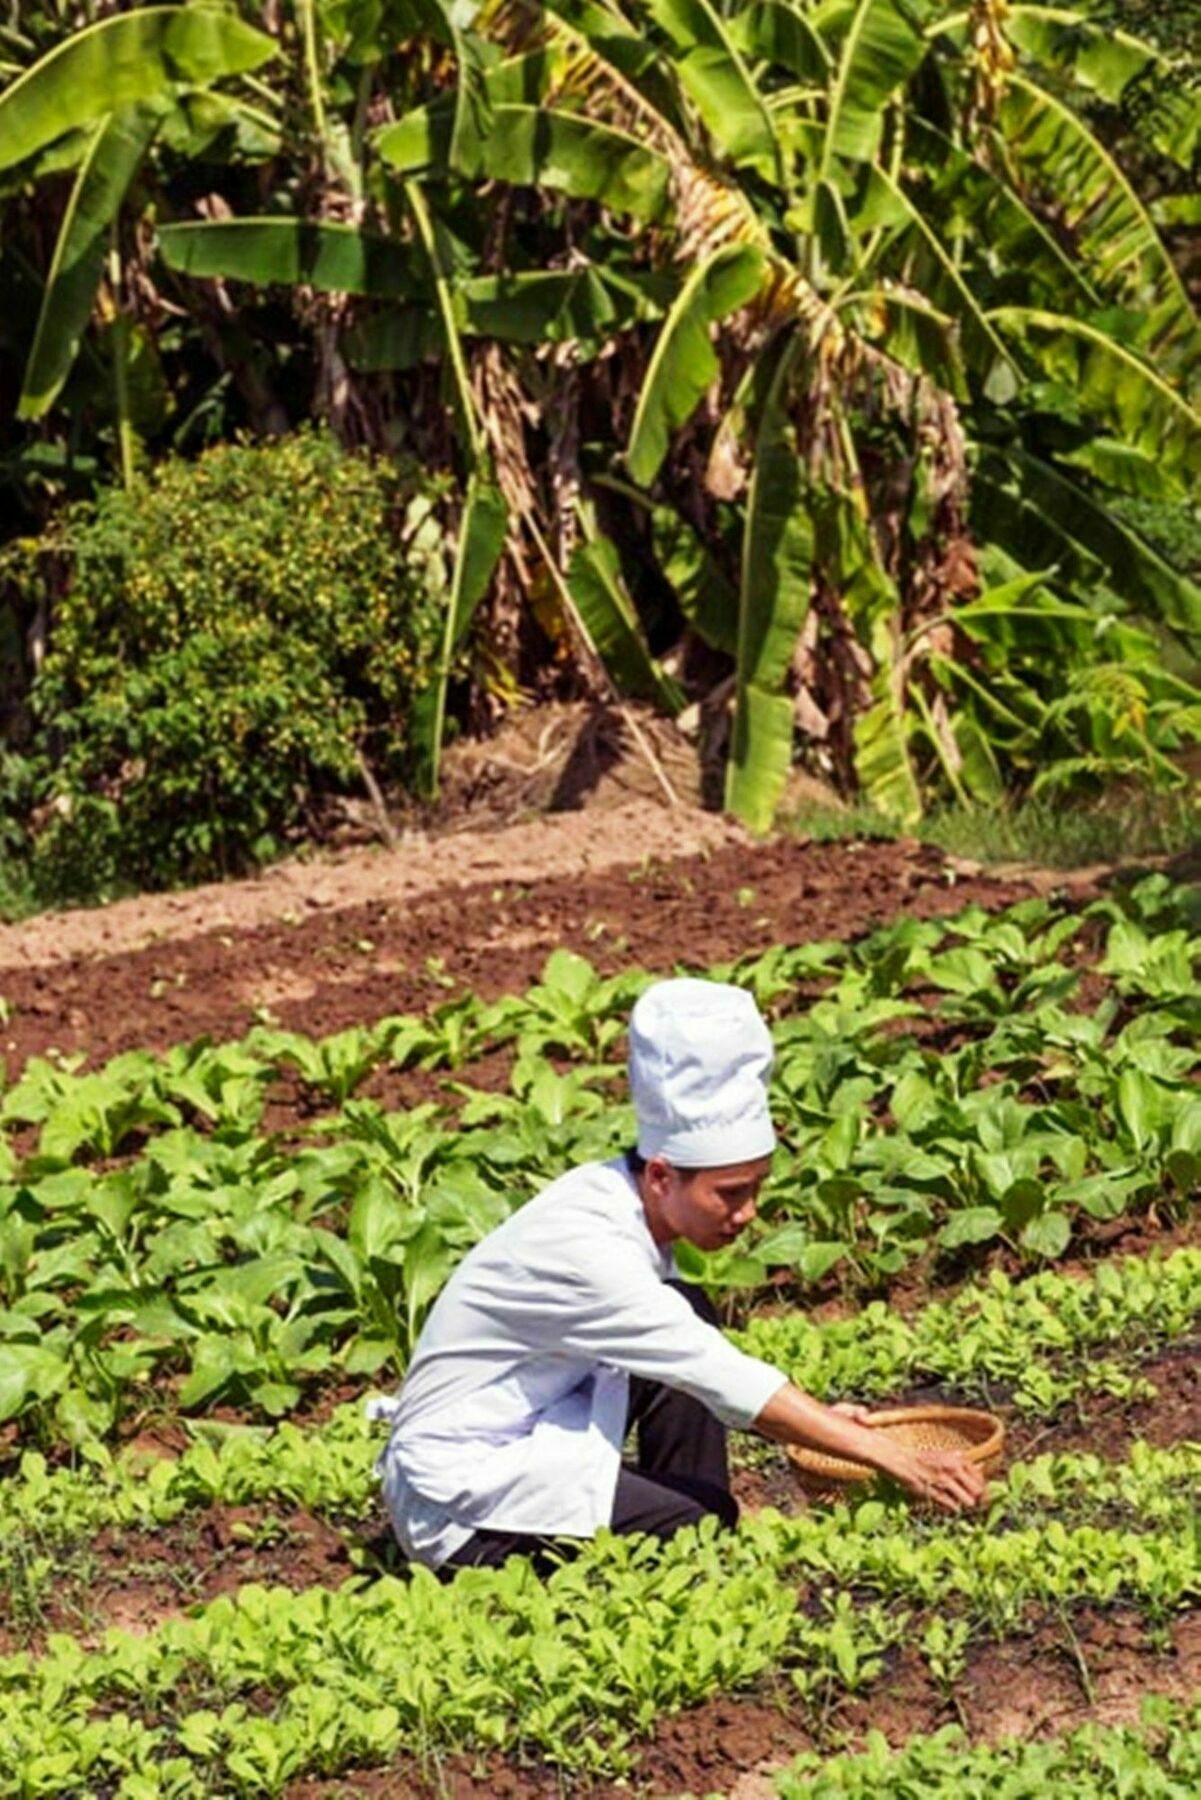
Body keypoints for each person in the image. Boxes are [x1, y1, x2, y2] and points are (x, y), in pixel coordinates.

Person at [375, 977, 985, 1573]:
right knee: (696, 1519)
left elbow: (694, 1358)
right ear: (663, 1176)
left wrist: (821, 1420)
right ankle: (695, 1529)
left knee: (684, 1306)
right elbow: (713, 1372)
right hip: (457, 1500)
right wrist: (890, 1458)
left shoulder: (620, 1196)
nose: (748, 1213)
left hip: (526, 1423)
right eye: (730, 1194)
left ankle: (695, 1525)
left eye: (756, 1189)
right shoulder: (587, 1250)